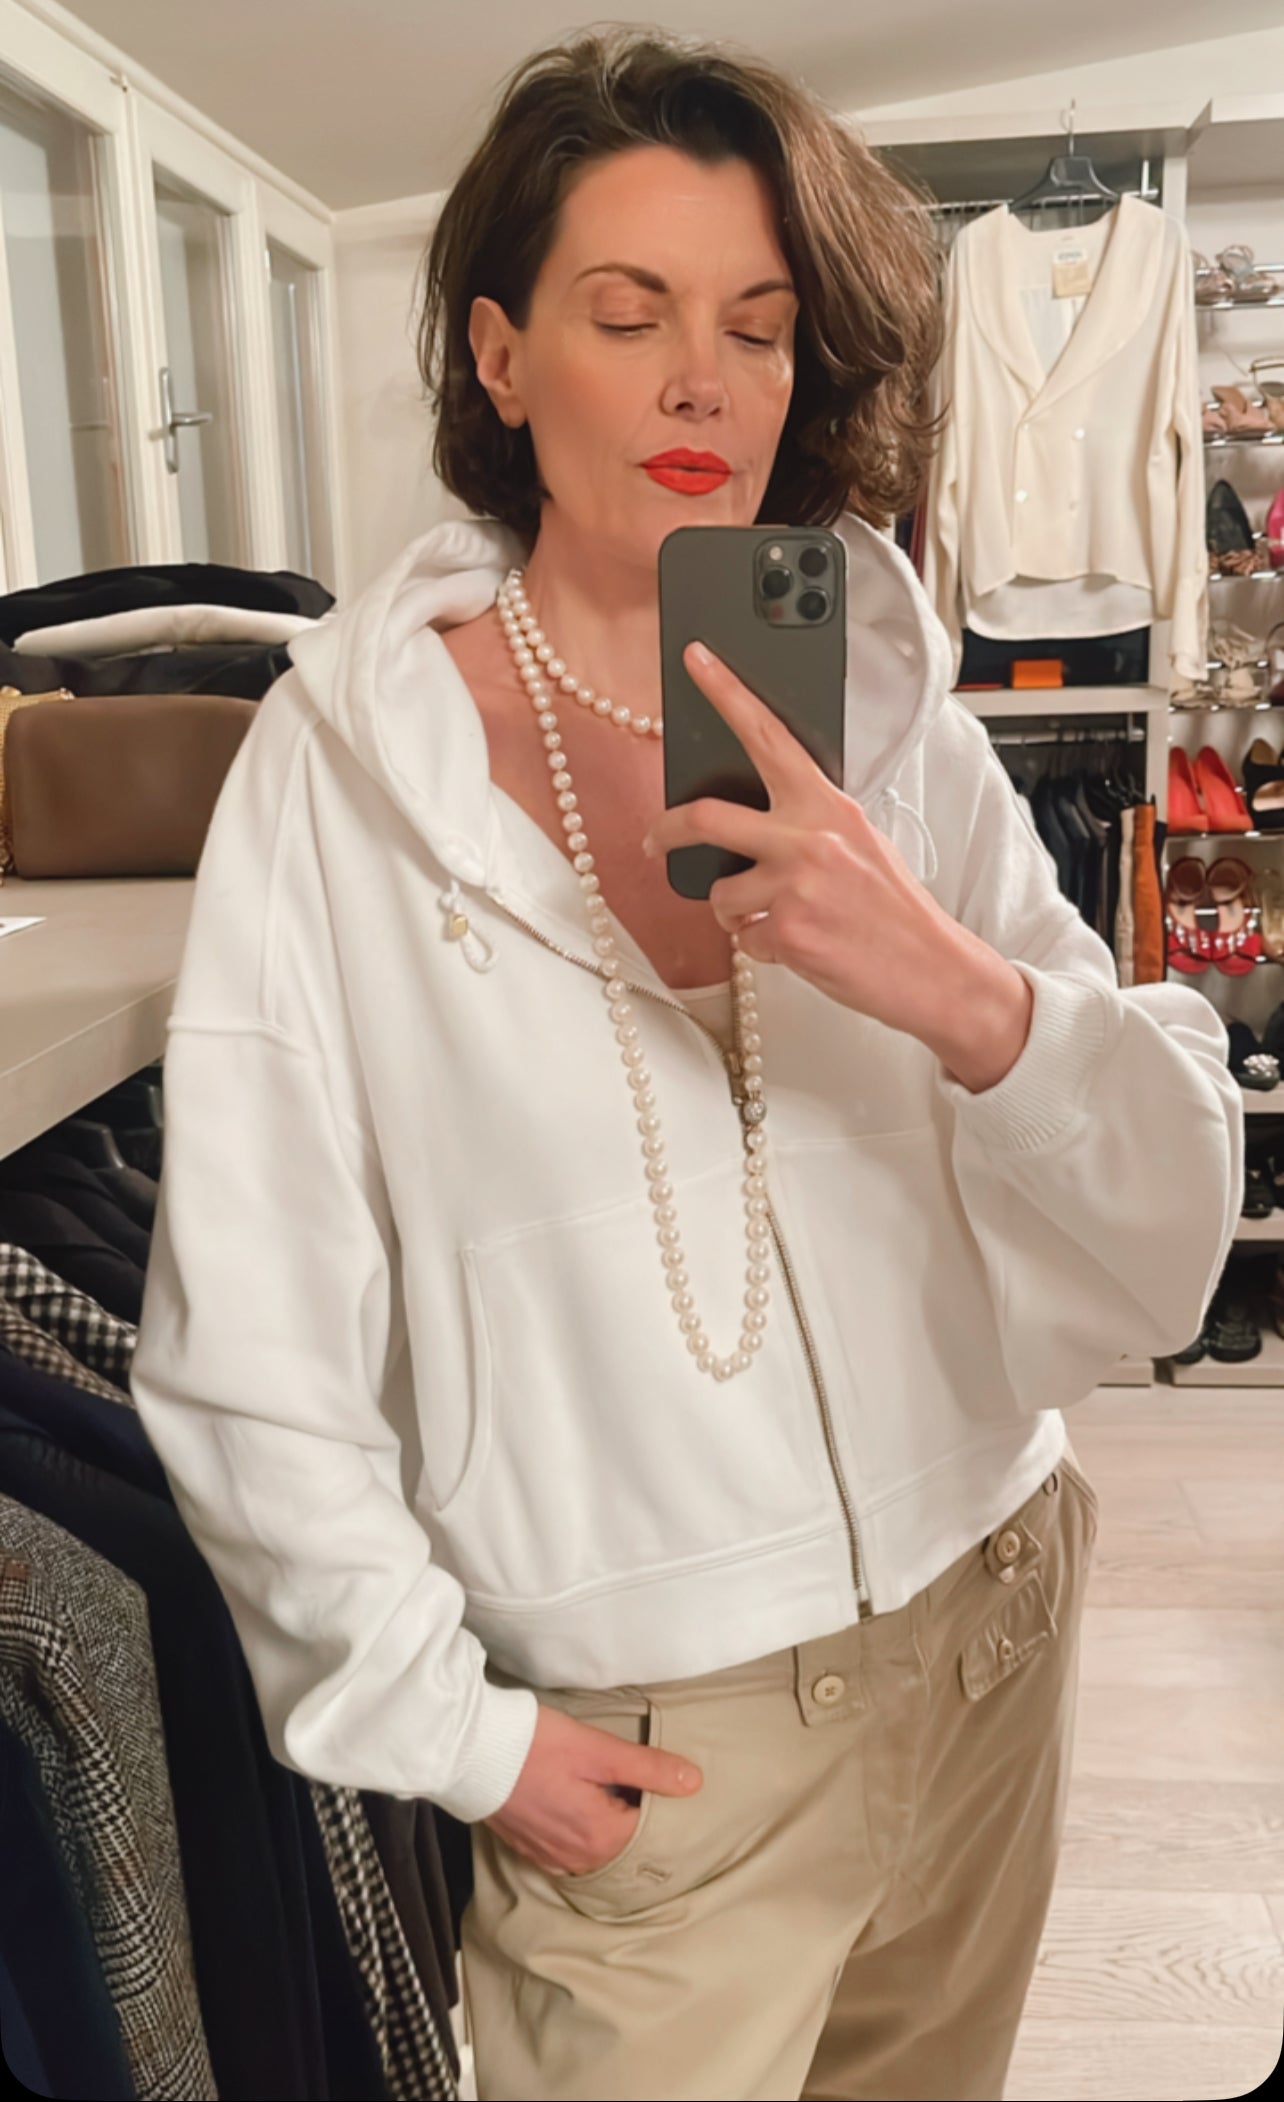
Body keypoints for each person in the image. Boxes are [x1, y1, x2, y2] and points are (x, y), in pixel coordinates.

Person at [130, 30, 1241, 2102]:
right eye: (626, 314)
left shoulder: (885, 701)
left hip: (992, 1625)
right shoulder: (343, 771)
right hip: (655, 1757)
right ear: (501, 354)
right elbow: (247, 1335)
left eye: (755, 323)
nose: (699, 384)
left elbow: (1170, 1221)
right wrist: (458, 1736)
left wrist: (952, 987)